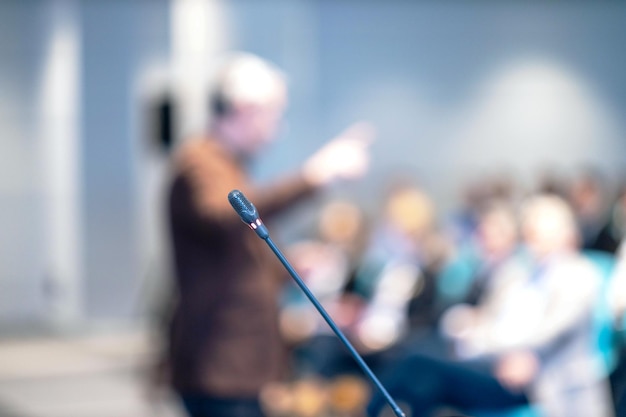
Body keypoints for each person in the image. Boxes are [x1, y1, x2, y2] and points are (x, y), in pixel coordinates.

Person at [164, 52, 373, 417]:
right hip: (220, 364)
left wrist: (290, 266)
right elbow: (224, 216)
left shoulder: (225, 164)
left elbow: (233, 252)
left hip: (233, 365)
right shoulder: (200, 161)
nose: (279, 127)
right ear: (246, 109)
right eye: (275, 113)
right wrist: (316, 174)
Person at [367, 194, 613, 417]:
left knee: (421, 367)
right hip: (501, 363)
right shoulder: (530, 273)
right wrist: (479, 337)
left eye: (536, 232)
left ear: (564, 233)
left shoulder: (579, 275)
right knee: (418, 371)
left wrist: (482, 343)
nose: (530, 239)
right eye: (528, 232)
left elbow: (545, 336)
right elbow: (497, 318)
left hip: (541, 382)